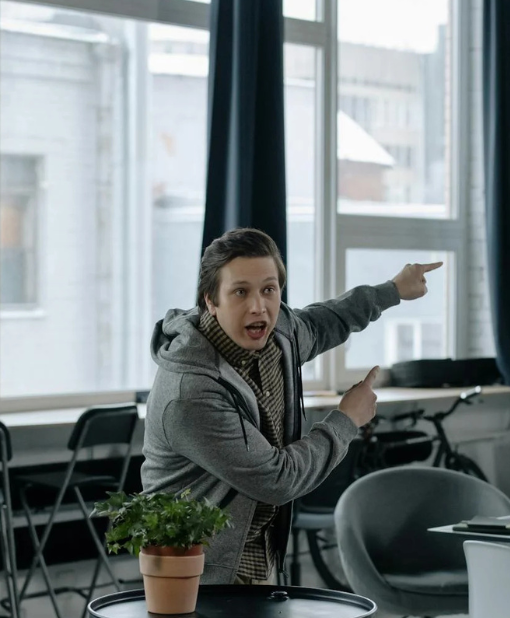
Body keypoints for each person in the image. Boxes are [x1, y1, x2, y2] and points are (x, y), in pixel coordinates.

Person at [144, 227, 441, 585]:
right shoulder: (189, 392)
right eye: (240, 292)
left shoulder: (277, 334)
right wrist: (347, 419)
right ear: (210, 300)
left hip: (259, 562)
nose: (259, 306)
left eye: (269, 290)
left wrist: (393, 290)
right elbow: (277, 479)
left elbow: (325, 321)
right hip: (199, 578)